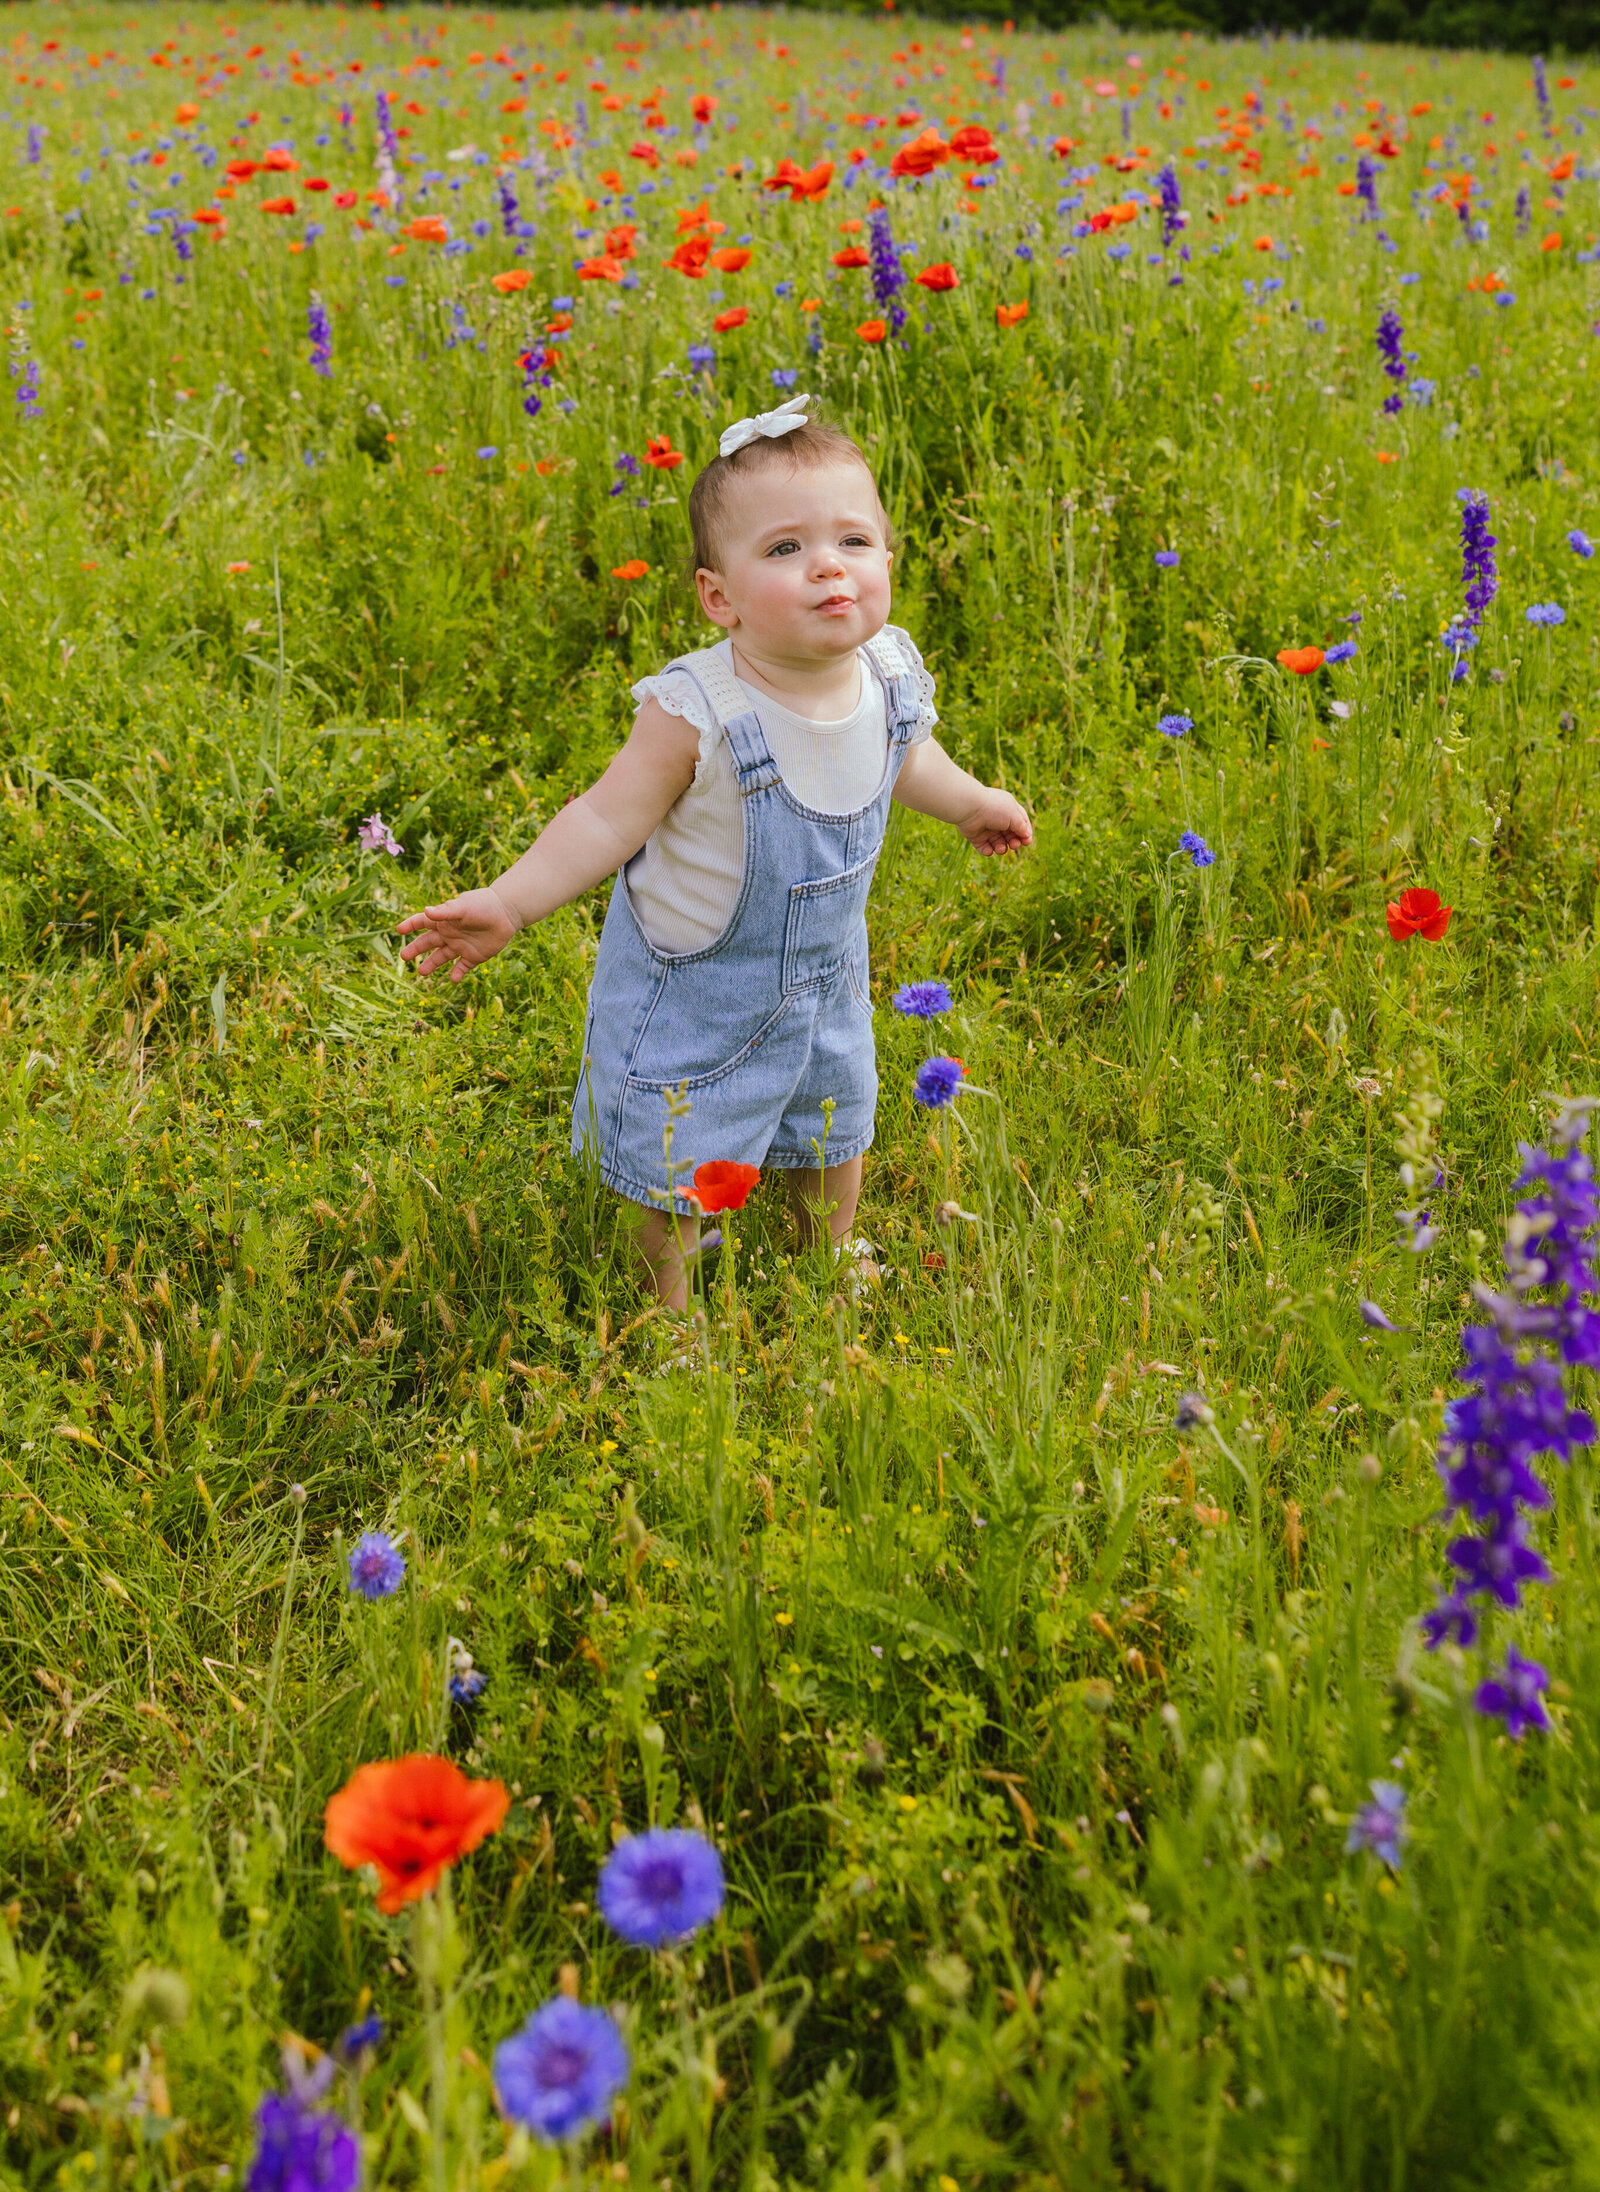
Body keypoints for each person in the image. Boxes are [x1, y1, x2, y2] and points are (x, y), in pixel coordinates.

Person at [398, 395, 1031, 1309]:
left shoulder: (887, 672)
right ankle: (669, 1305)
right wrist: (510, 901)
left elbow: (906, 756)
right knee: (674, 1152)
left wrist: (970, 802)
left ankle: (831, 1249)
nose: (828, 568)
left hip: (823, 972)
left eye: (854, 542)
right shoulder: (697, 710)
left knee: (836, 1116)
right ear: (718, 597)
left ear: (888, 559)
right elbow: (604, 822)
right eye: (785, 550)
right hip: (695, 988)